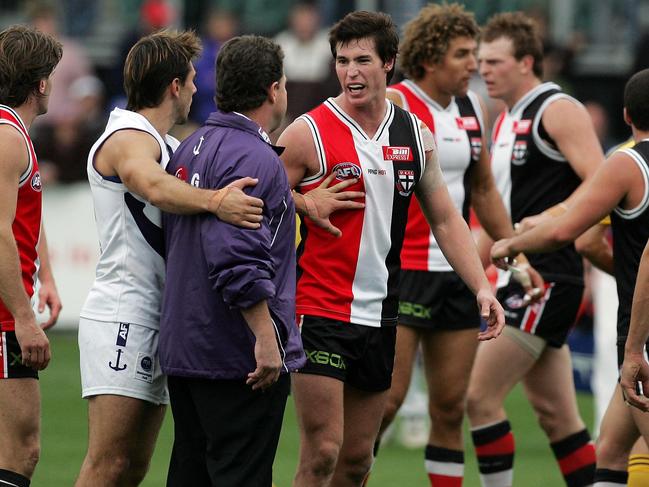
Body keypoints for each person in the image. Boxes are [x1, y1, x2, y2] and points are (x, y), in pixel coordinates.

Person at [278, 11, 505, 487]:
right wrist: (302, 199)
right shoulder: (308, 131)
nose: (351, 72)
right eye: (342, 61)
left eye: (363, 60)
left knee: (358, 460)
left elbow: (446, 218)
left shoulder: (412, 135)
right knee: (322, 452)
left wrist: (482, 286)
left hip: (381, 314)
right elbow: (258, 196)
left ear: (389, 64)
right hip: (319, 310)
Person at [75, 30, 265, 487]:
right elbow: (153, 186)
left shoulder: (165, 142)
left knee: (133, 468)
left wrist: (301, 202)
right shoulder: (126, 136)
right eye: (191, 80)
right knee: (108, 464)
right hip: (125, 311)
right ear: (175, 87)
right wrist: (217, 201)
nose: (198, 89)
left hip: (158, 315)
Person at [368, 5, 542, 486]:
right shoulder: (395, 103)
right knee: (387, 400)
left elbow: (483, 191)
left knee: (449, 408)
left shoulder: (471, 108)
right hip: (400, 272)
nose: (474, 65)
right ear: (428, 58)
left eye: (476, 53)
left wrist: (515, 253)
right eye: (463, 54)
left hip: (457, 275)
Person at [159, 34, 305, 487]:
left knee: (191, 475)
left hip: (185, 347)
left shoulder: (190, 146)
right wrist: (265, 336)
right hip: (235, 356)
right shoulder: (256, 156)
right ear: (273, 91)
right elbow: (236, 259)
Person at [465, 12, 603, 487]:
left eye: (495, 61)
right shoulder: (505, 119)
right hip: (521, 275)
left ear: (526, 62)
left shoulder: (557, 108)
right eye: (480, 60)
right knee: (557, 417)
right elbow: (495, 219)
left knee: (479, 398)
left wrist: (552, 217)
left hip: (547, 274)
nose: (483, 69)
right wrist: (459, 266)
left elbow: (601, 184)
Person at [0, 25, 63, 487]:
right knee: (22, 450)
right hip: (3, 316)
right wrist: (23, 317)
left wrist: (49, 276)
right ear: (40, 82)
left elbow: (24, 216)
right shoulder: (8, 138)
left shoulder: (15, 133)